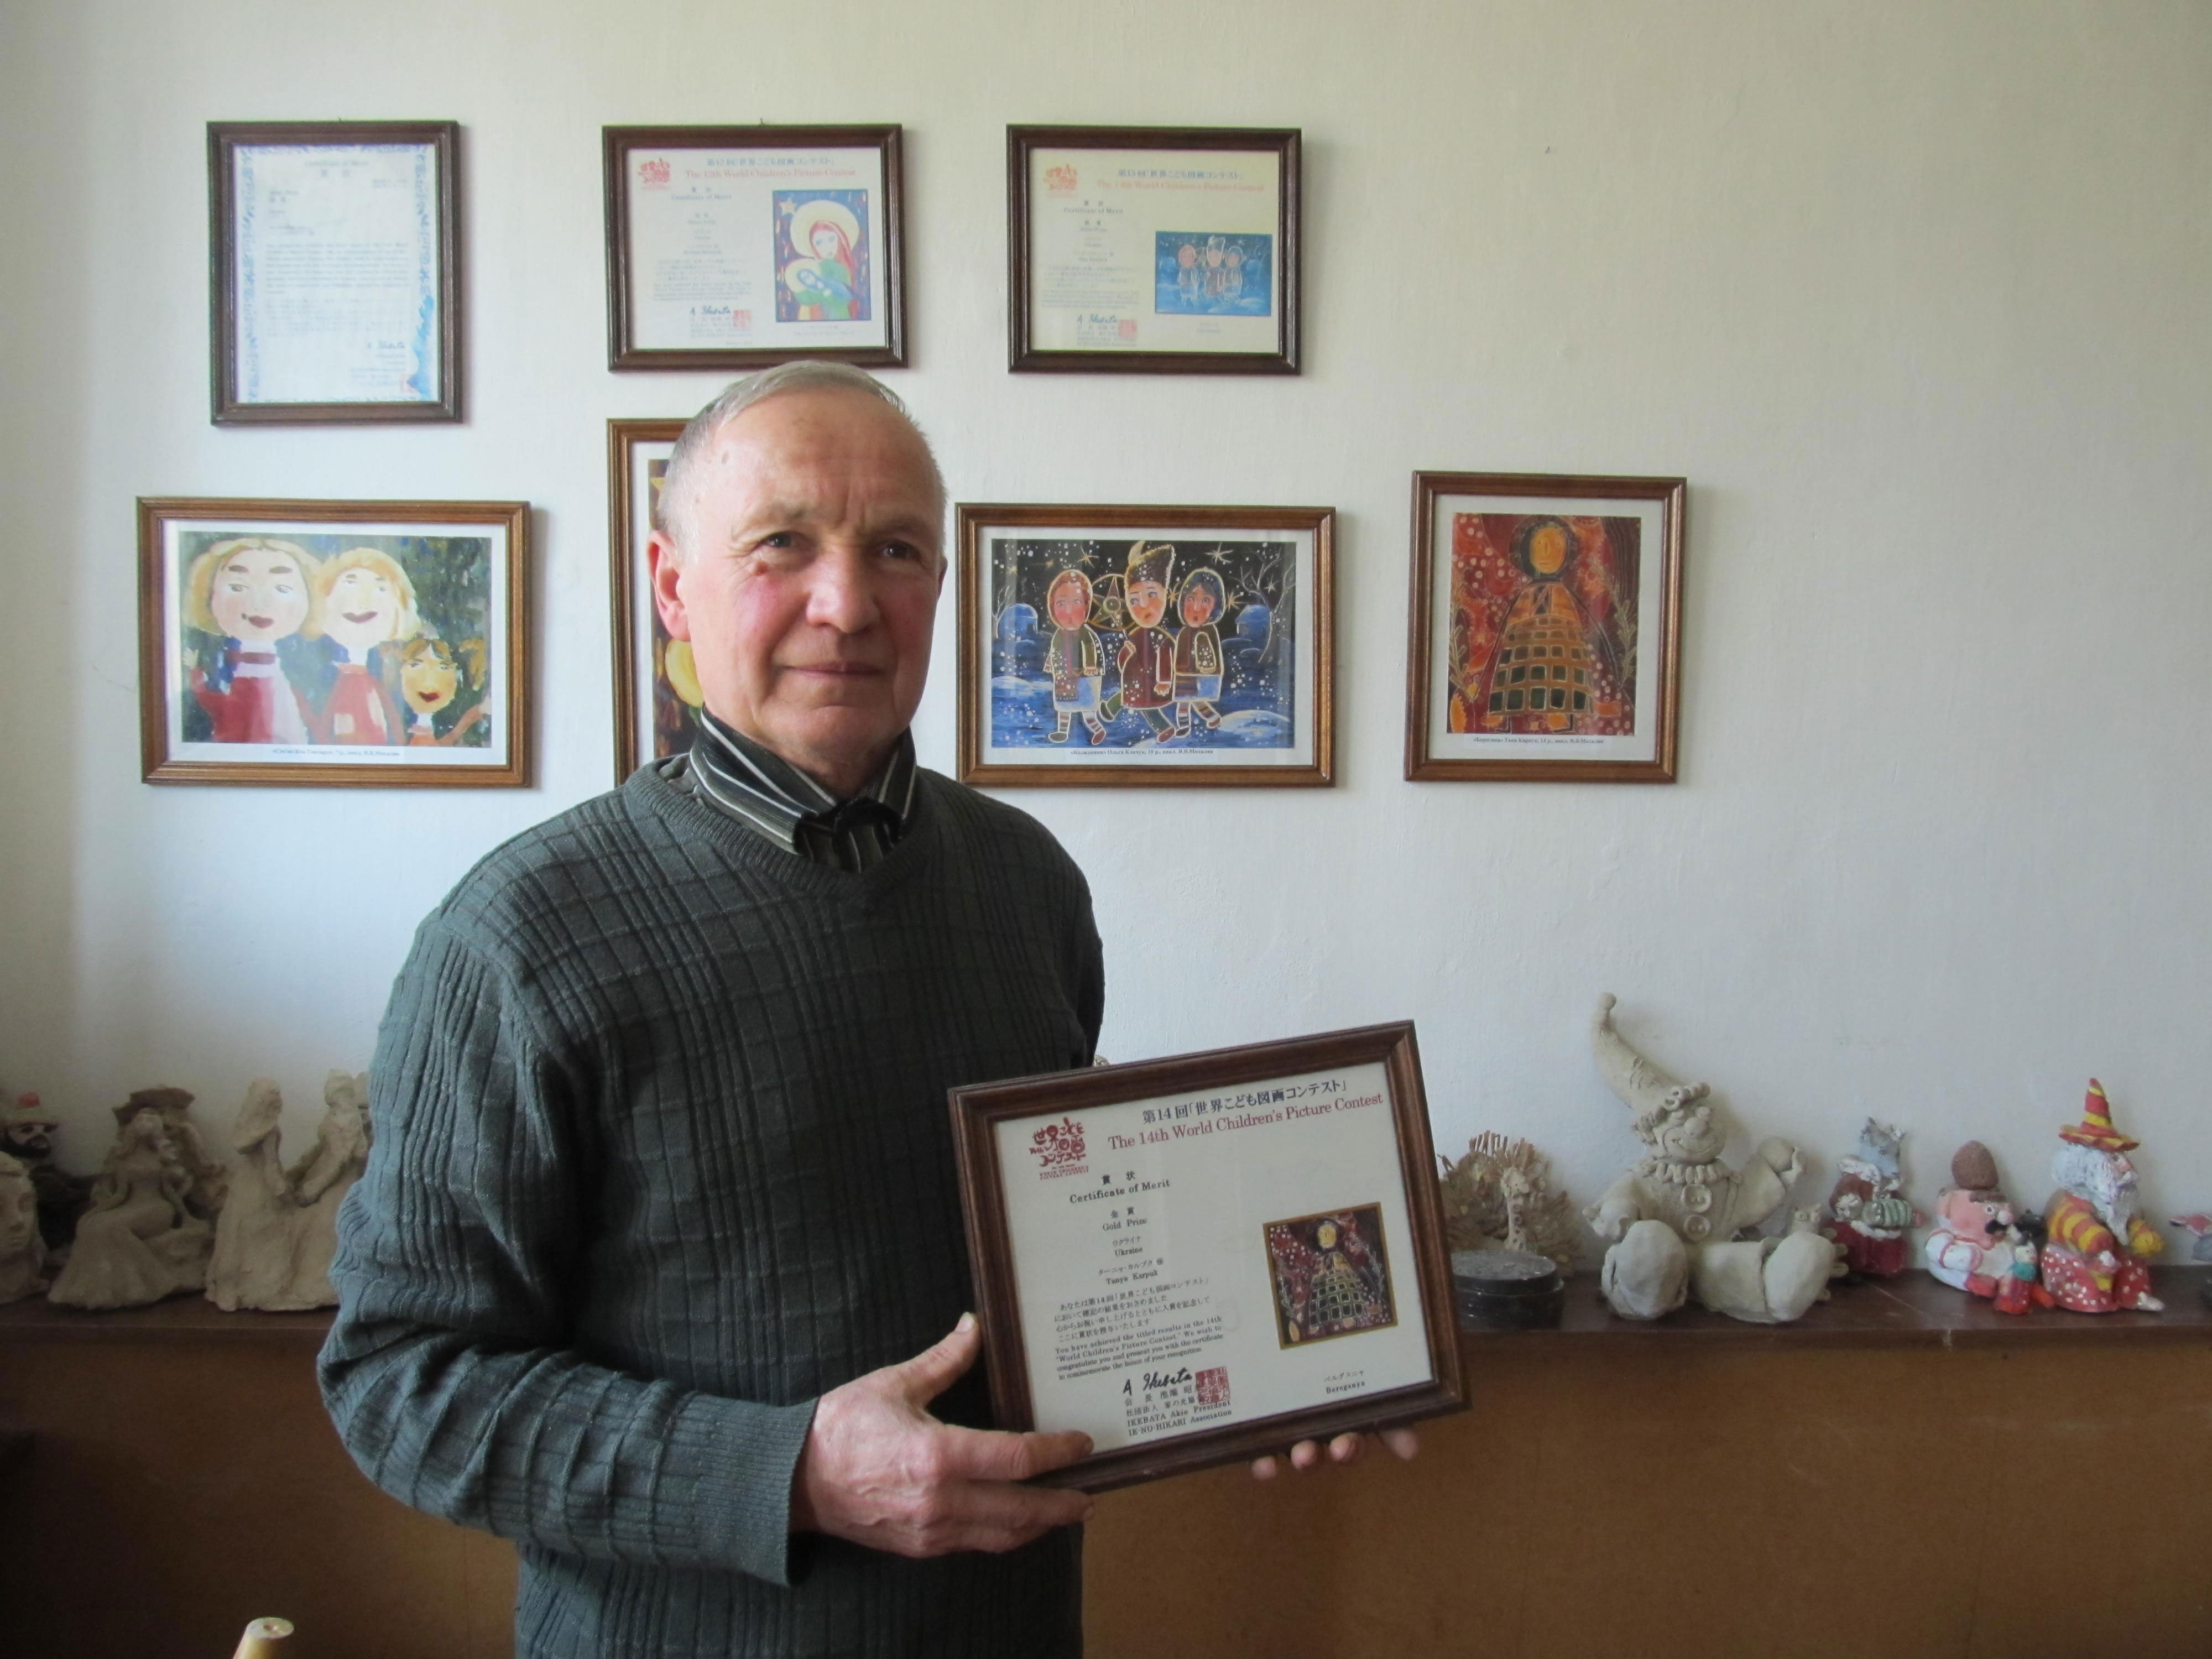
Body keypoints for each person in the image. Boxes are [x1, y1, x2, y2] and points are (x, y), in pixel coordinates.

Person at [321, 364, 1405, 1659]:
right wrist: (788, 1474)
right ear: (672, 584)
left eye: (893, 550)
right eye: (781, 544)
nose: (844, 604)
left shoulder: (1024, 883)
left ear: (938, 586)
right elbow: (401, 1382)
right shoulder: (515, 934)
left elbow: (1063, 1230)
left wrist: (1279, 1353)